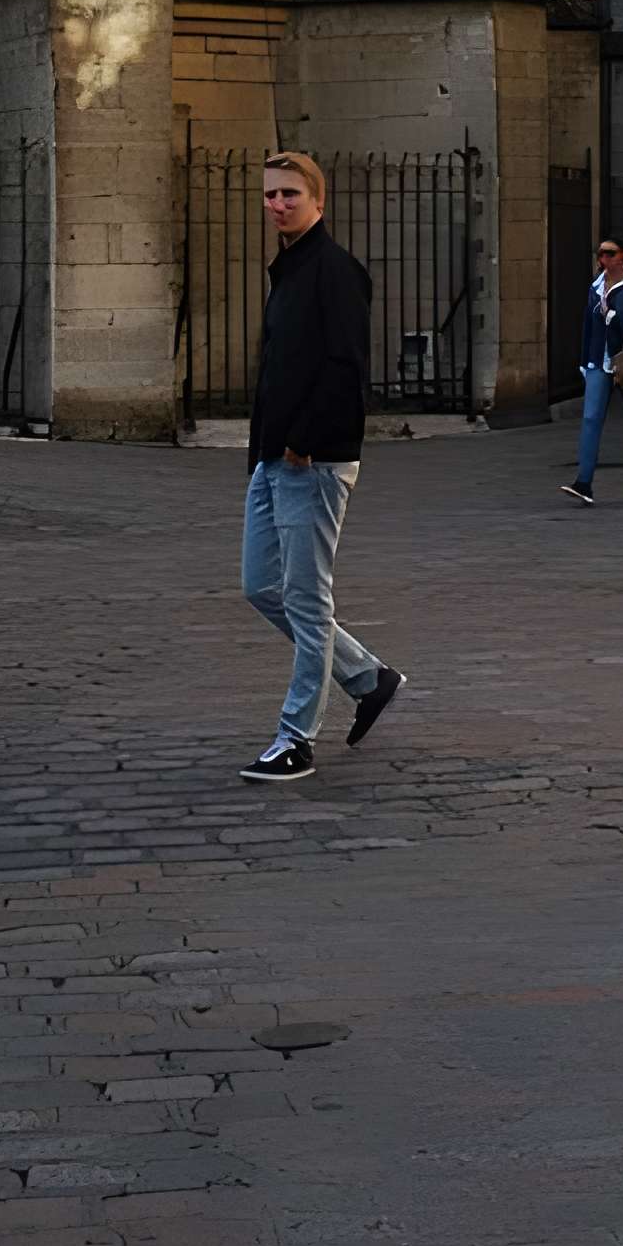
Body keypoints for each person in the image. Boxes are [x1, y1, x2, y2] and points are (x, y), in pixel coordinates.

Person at [238, 150, 404, 783]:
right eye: (270, 194)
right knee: (261, 587)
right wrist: (265, 449)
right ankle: (368, 677)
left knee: (308, 602)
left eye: (290, 194)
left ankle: (296, 739)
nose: (278, 204)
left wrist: (303, 441)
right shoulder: (289, 270)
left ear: (318, 200)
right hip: (271, 459)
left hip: (313, 461)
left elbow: (346, 368)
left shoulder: (335, 271)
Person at [564, 236, 623, 505]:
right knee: (590, 419)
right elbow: (588, 325)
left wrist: (615, 317)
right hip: (598, 361)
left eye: (609, 253)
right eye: (600, 253)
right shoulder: (596, 286)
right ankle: (584, 483)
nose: (603, 258)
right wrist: (584, 362)